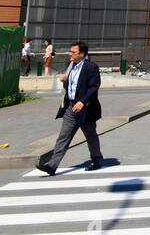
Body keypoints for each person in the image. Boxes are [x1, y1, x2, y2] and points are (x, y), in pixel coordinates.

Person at [36, 41, 103, 175]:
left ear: (82, 54)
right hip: (71, 108)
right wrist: (65, 81)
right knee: (63, 137)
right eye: (70, 51)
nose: (70, 54)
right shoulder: (71, 66)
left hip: (86, 110)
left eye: (73, 52)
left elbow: (94, 86)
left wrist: (82, 102)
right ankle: (52, 166)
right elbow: (72, 87)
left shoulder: (91, 67)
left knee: (91, 137)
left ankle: (96, 160)